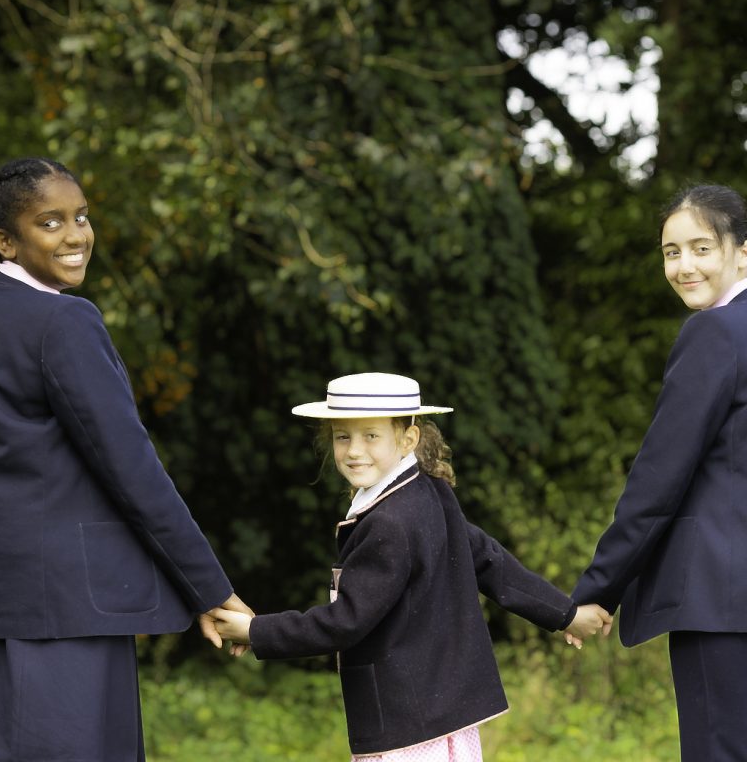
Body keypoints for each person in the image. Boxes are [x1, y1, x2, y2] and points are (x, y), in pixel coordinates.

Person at [0, 156, 252, 762]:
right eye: (50, 222)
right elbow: (130, 469)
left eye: (80, 216)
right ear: (5, 241)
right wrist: (209, 588)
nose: (76, 235)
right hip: (67, 612)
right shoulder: (64, 322)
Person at [211, 372, 611, 760]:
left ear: (408, 439)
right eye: (342, 436)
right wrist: (566, 613)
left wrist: (256, 630)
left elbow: (345, 622)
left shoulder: (388, 523)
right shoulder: (430, 493)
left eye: (371, 436)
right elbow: (491, 561)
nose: (354, 450)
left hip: (405, 730)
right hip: (446, 721)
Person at [571, 184, 747, 760]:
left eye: (701, 248)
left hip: (723, 602)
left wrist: (597, 590)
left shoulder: (716, 332)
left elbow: (659, 479)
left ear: (742, 252)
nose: (683, 266)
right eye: (672, 252)